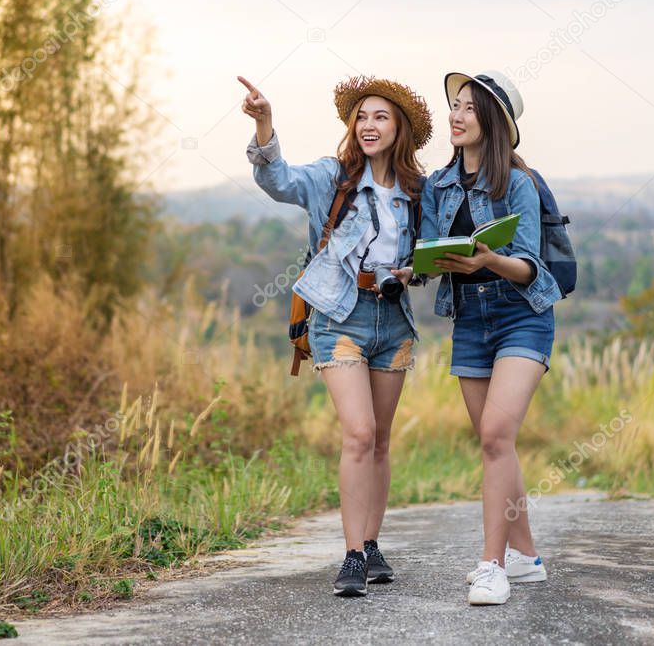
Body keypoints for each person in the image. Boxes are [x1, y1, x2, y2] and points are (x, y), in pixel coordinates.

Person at [239, 74, 430, 597]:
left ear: (400, 129)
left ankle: (371, 545)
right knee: (359, 434)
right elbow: (278, 181)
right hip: (337, 316)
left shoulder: (418, 190)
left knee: (382, 440)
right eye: (361, 116)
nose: (368, 125)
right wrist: (264, 124)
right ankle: (350, 556)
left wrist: (416, 270)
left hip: (393, 323)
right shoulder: (332, 177)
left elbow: (431, 255)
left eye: (380, 117)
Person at [419, 70, 562, 606]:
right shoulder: (438, 185)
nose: (455, 116)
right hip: (470, 319)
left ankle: (491, 566)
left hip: (521, 313)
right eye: (453, 106)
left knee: (496, 436)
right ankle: (527, 559)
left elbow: (528, 267)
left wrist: (488, 259)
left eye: (469, 109)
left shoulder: (516, 183)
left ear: (493, 122)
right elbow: (428, 252)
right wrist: (420, 267)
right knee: (495, 443)